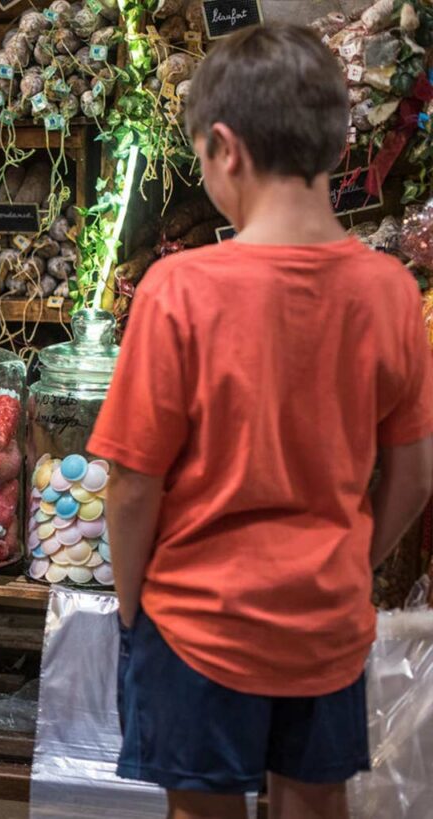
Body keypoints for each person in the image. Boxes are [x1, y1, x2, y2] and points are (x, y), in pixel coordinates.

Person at [88, 23, 433, 819]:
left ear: (224, 149)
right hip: (326, 622)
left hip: (194, 620)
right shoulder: (388, 290)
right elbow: (413, 474)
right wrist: (351, 559)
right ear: (341, 141)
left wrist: (134, 603)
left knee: (201, 813)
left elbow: (133, 482)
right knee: (316, 806)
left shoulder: (178, 290)